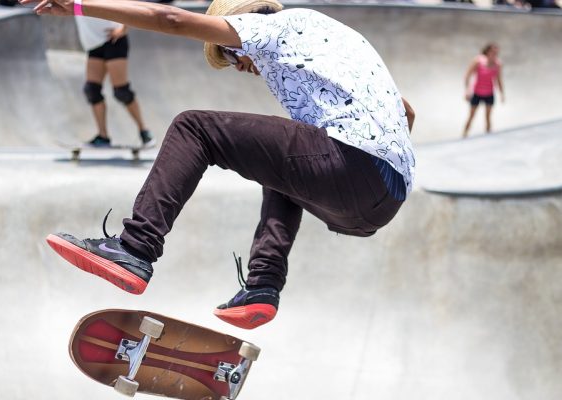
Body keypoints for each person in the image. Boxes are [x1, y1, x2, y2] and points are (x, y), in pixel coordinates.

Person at [27, 0, 416, 330]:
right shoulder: (336, 39)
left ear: (241, 25)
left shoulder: (273, 27)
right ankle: (263, 283)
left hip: (348, 164)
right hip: (385, 199)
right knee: (282, 163)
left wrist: (77, 4)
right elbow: (406, 112)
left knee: (193, 127)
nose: (239, 65)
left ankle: (136, 247)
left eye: (229, 52)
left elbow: (171, 19)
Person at [75, 15, 154, 146]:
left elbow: (127, 5)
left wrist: (123, 27)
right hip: (94, 44)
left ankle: (144, 132)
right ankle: (103, 136)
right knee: (92, 90)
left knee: (121, 91)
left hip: (114, 40)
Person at [463, 43, 505, 138]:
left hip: (489, 93)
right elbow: (468, 75)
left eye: (496, 52)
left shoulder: (498, 64)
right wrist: (467, 91)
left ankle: (488, 136)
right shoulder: (478, 61)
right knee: (471, 116)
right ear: (488, 51)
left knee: (488, 117)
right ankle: (464, 135)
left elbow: (499, 80)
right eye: (493, 51)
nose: (495, 54)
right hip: (477, 92)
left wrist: (502, 94)